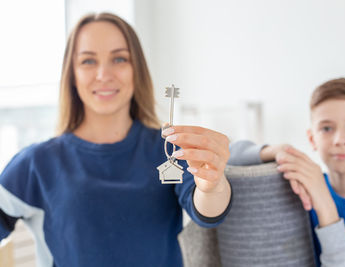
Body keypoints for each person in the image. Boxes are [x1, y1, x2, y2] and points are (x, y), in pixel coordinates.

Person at [0, 13, 232, 267]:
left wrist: (214, 185)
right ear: (72, 75)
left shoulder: (168, 149)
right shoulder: (35, 164)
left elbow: (208, 211)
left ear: (137, 71)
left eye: (119, 58)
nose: (104, 74)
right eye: (88, 61)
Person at [229, 78, 345, 266]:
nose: (339, 140)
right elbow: (228, 157)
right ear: (312, 139)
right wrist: (277, 151)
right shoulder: (301, 183)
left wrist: (325, 206)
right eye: (327, 128)